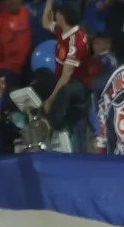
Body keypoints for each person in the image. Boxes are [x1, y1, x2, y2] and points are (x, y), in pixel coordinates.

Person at [41, 0, 92, 136]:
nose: (55, 15)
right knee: (41, 75)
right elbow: (45, 22)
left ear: (61, 16)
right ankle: (35, 113)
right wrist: (49, 2)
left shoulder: (76, 41)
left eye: (57, 13)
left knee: (65, 91)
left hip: (80, 85)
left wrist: (51, 100)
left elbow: (66, 76)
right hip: (64, 78)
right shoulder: (61, 31)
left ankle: (53, 127)